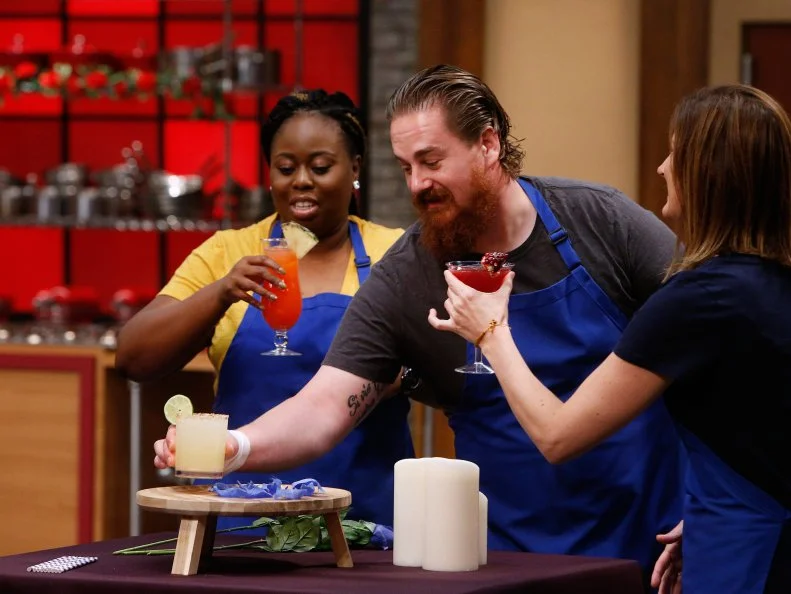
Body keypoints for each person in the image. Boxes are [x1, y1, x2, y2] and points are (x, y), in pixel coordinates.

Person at [153, 65, 684, 580]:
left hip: (649, 543)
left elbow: (713, 340)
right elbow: (323, 405)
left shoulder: (600, 221)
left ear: (488, 144)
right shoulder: (408, 273)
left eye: (431, 161)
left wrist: (708, 499)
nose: (418, 184)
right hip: (507, 559)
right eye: (406, 167)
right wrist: (236, 447)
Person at [431, 84, 791, 593]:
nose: (663, 168)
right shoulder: (772, 282)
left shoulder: (698, 298)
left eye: (675, 153)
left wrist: (490, 331)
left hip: (746, 559)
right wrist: (707, 513)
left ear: (707, 175)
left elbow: (558, 437)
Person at [118, 89, 414, 529]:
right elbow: (134, 357)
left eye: (320, 167)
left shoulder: (395, 252)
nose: (302, 181)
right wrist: (221, 293)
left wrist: (400, 372)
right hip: (239, 519)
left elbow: (436, 362)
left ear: (355, 169)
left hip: (364, 521)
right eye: (286, 168)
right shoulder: (227, 251)